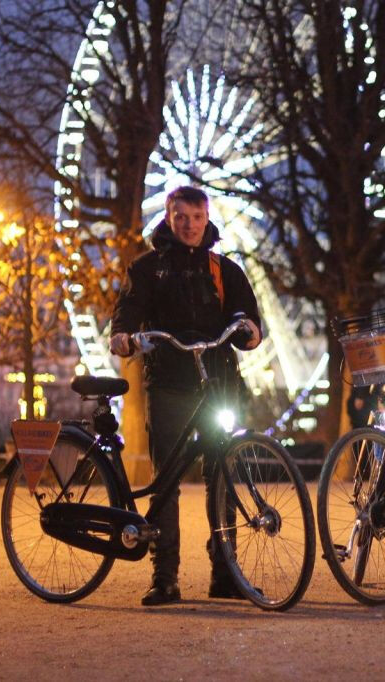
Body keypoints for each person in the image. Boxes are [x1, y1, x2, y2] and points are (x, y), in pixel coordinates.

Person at [109, 186, 263, 606]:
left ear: (207, 217)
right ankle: (165, 576)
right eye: (182, 218)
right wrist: (123, 338)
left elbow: (248, 318)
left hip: (218, 383)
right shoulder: (146, 269)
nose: (190, 226)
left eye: (197, 217)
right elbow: (126, 313)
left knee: (223, 476)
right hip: (170, 385)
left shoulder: (224, 270)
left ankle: (225, 572)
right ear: (168, 217)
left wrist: (248, 332)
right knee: (167, 482)